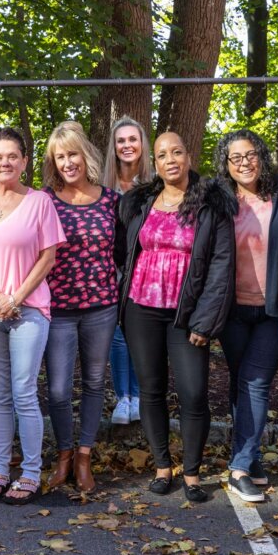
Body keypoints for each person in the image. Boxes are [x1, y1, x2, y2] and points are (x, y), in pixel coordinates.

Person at [118, 132, 236, 503]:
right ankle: (162, 468)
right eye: (162, 154)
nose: (171, 159)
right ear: (155, 162)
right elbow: (125, 251)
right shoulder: (141, 202)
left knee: (193, 392)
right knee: (151, 390)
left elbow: (221, 266)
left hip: (186, 315)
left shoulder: (211, 204)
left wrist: (206, 321)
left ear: (188, 155)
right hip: (141, 307)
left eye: (177, 152)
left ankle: (192, 472)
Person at [214, 130, 278, 503]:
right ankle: (249, 457)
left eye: (250, 155)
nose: (244, 163)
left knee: (255, 380)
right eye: (235, 158)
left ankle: (238, 468)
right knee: (241, 379)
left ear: (262, 155)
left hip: (275, 308)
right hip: (232, 308)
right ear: (226, 163)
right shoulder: (218, 196)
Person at [0, 127, 65, 505]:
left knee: (23, 391)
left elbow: (49, 256)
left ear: (24, 162)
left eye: (13, 156)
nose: (5, 162)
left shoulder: (40, 201)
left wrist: (15, 297)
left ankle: (29, 472)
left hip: (29, 308)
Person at [41, 122, 121, 493]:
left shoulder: (110, 199)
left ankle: (85, 456)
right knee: (57, 389)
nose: (68, 163)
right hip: (57, 308)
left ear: (85, 155)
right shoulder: (46, 200)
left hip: (101, 307)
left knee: (93, 382)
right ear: (52, 163)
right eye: (60, 157)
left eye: (72, 154)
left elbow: (120, 252)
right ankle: (64, 454)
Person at [100, 117, 149, 425]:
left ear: (142, 144)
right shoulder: (105, 187)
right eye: (121, 140)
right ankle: (124, 398)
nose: (127, 145)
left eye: (133, 139)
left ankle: (142, 396)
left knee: (142, 336)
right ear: (114, 147)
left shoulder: (156, 183)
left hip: (148, 271)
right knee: (118, 335)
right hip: (114, 270)